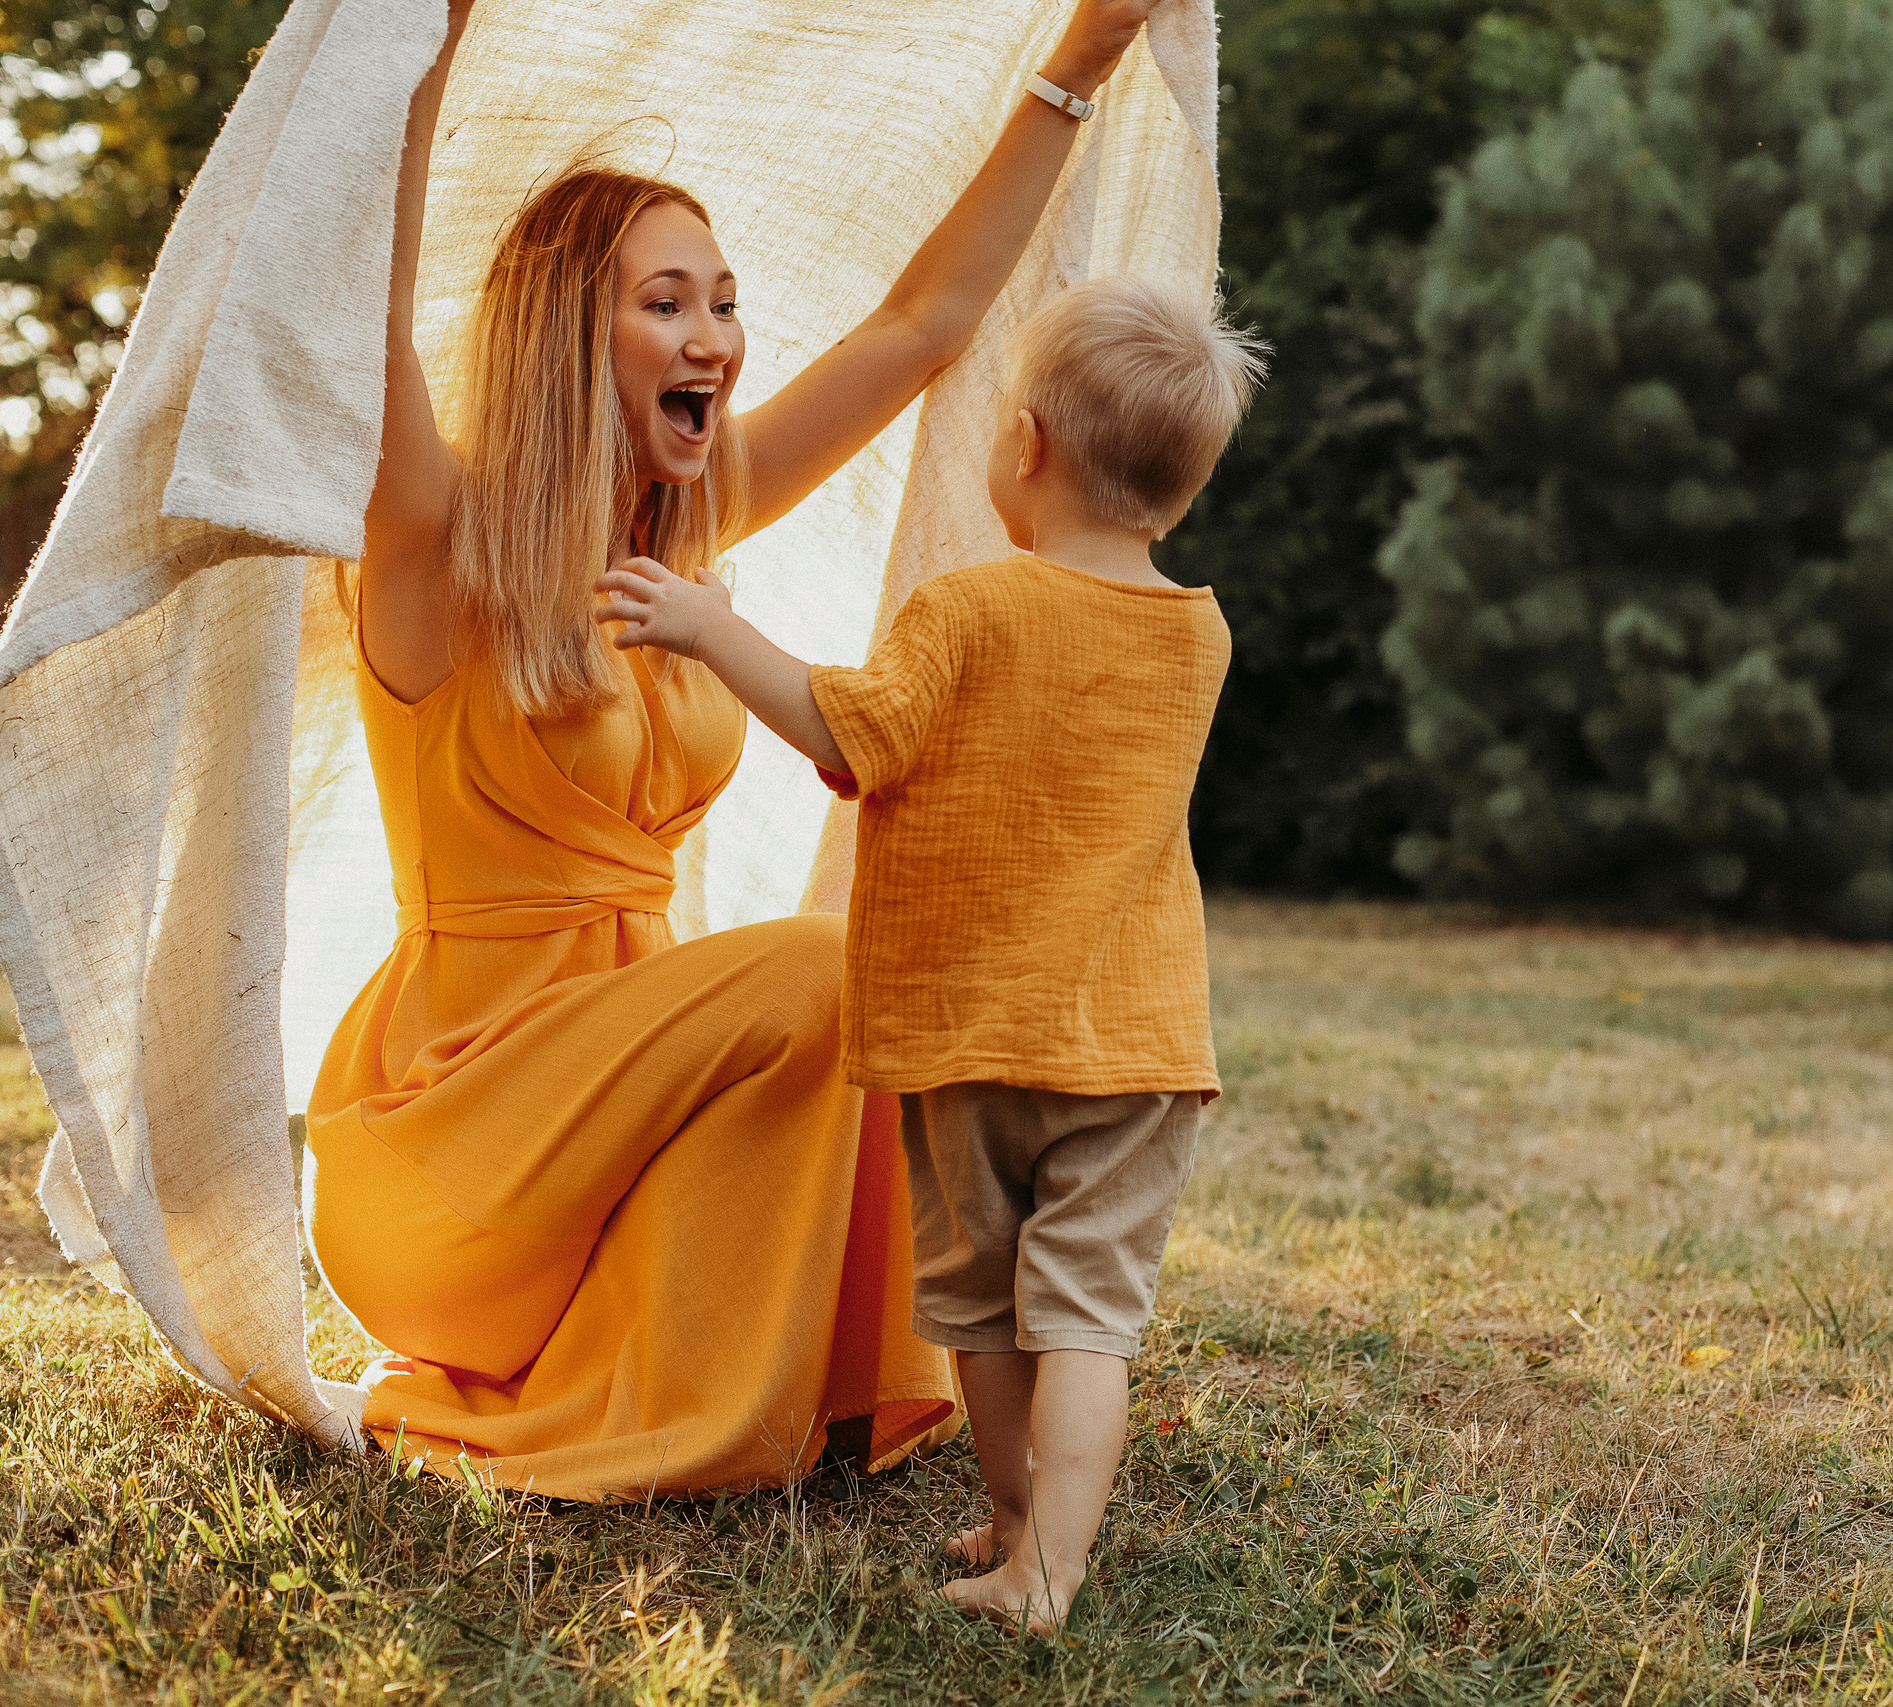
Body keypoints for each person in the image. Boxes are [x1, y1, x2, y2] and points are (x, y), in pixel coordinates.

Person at [301, 0, 1168, 1501]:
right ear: (569, 336)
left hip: (613, 1123)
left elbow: (922, 326)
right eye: (668, 305)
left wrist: (1076, 64)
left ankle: (759, 1380)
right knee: (827, 962)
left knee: (849, 987)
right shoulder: (437, 543)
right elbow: (357, 298)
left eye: (725, 302)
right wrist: (426, 33)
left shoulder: (684, 541)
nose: (715, 339)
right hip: (447, 1151)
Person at [595, 276, 1265, 1629]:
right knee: (1085, 1315)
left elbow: (852, 734)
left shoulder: (965, 611)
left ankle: (1030, 1539)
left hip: (971, 1038)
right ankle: (1039, 1552)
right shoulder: (1199, 636)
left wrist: (710, 627)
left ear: (1023, 444)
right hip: (1132, 1049)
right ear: (1182, 488)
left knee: (982, 1309)